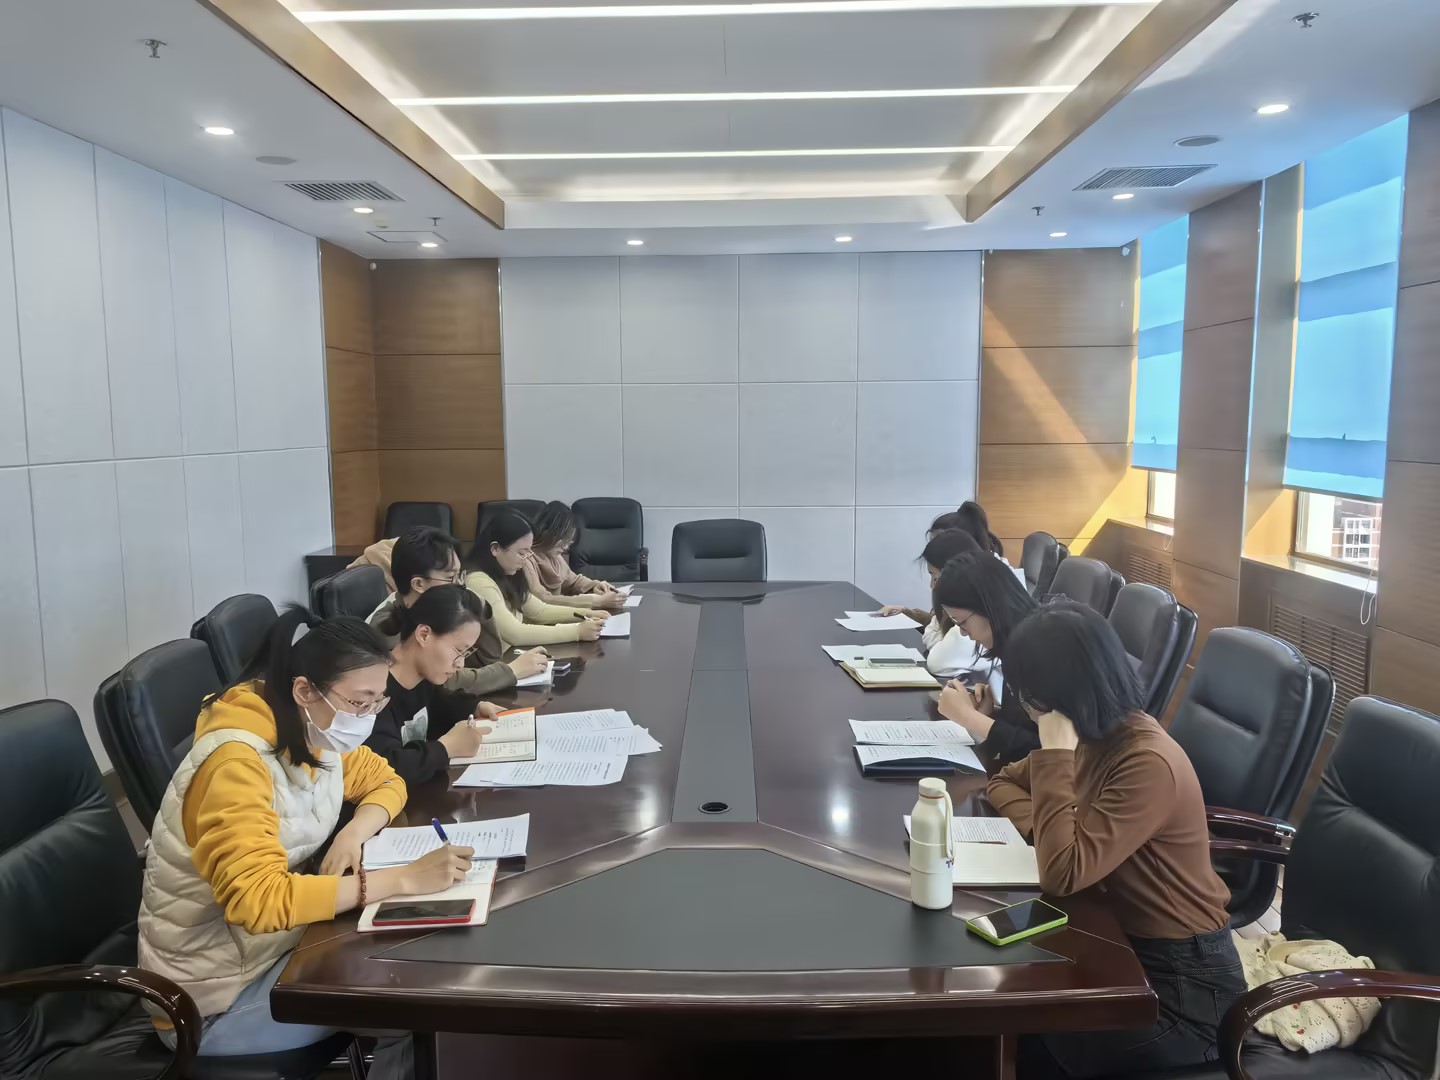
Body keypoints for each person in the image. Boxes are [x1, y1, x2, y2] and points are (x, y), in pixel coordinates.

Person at [136, 608, 474, 1074]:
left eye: (377, 703)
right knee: (408, 1007)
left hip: (281, 948)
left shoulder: (312, 730)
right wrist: (400, 880)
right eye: (359, 702)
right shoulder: (235, 766)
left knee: (416, 963)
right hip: (210, 1003)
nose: (367, 717)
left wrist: (354, 833)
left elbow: (387, 780)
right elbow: (258, 901)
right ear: (304, 690)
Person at [989, 602, 1242, 1078]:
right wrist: (1048, 829)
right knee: (1011, 1002)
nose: (1025, 706)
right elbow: (1001, 782)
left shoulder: (1144, 762)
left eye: (1028, 694)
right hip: (1117, 941)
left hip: (1185, 989)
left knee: (1029, 1029)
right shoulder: (1093, 735)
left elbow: (1062, 874)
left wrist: (1055, 758)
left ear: (1060, 695)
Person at [367, 526, 548, 692]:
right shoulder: (387, 628)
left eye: (459, 575)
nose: (459, 586)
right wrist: (511, 671)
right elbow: (444, 683)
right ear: (419, 584)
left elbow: (489, 658)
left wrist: (477, 606)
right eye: (451, 578)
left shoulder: (443, 611)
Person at [366, 585, 503, 789]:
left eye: (466, 654)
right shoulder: (373, 692)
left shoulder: (423, 679)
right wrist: (445, 749)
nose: (461, 664)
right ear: (423, 634)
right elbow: (384, 768)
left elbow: (442, 703)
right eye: (459, 650)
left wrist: (475, 707)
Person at [931, 551, 1041, 768]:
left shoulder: (1041, 650)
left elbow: (1048, 752)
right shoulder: (1015, 643)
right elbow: (1028, 728)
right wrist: (994, 714)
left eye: (961, 622)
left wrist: (970, 718)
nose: (962, 633)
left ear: (989, 606)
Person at [464, 509, 605, 663]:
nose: (525, 559)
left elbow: (540, 611)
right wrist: (577, 632)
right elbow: (515, 634)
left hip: (509, 658)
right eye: (521, 553)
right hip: (491, 666)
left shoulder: (508, 573)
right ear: (495, 549)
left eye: (528, 553)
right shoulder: (478, 581)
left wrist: (589, 613)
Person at [878, 529, 988, 678]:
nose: (932, 586)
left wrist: (941, 641)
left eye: (935, 577)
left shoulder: (978, 615)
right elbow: (932, 631)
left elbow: (938, 661)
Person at [523, 501, 626, 611]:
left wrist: (594, 586)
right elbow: (543, 599)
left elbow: (573, 581)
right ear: (548, 532)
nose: (566, 547)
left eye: (569, 541)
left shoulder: (554, 556)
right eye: (564, 539)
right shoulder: (525, 558)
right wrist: (596, 601)